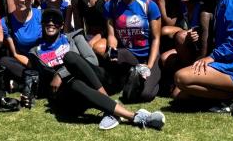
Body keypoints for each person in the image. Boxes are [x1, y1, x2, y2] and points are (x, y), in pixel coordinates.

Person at [29, 8, 166, 130]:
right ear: (42, 24)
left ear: (62, 25)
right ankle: (134, 116)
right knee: (75, 83)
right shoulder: (35, 51)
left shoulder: (74, 37)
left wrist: (60, 73)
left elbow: (91, 59)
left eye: (56, 20)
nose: (51, 23)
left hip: (92, 76)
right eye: (47, 20)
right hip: (69, 92)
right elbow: (37, 78)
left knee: (71, 57)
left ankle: (112, 106)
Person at [103, 0, 162, 103]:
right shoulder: (112, 5)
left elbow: (156, 39)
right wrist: (112, 50)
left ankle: (154, 81)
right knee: (111, 56)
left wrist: (149, 66)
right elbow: (111, 35)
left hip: (148, 57)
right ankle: (128, 77)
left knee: (146, 95)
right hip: (129, 55)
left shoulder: (149, 5)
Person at [157, 0, 209, 86]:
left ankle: (191, 77)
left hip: (203, 49)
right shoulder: (185, 5)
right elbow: (169, 23)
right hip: (190, 45)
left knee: (180, 37)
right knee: (165, 58)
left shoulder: (201, 7)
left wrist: (197, 34)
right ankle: (175, 80)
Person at [0, 0, 42, 88]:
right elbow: (15, 53)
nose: (21, 0)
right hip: (24, 62)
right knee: (4, 61)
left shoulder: (41, 15)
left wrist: (40, 63)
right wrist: (31, 65)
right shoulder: (6, 21)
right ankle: (34, 81)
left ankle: (23, 83)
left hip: (43, 59)